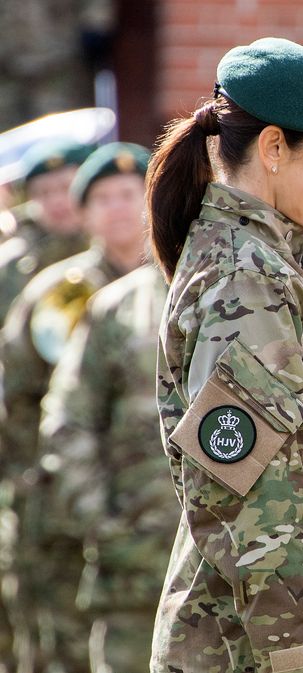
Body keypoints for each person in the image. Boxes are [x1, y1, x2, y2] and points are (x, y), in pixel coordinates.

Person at [145, 37, 303, 673]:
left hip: (280, 609)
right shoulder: (246, 274)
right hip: (263, 633)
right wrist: (294, 656)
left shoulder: (267, 259)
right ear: (275, 147)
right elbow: (243, 491)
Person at [0, 141, 149, 673]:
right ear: (85, 215)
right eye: (103, 198)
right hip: (67, 512)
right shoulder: (55, 292)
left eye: (129, 194)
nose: (118, 209)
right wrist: (46, 483)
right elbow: (17, 400)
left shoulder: (178, 286)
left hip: (155, 512)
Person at [37, 262, 175, 673]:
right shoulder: (117, 307)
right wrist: (102, 521)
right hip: (135, 572)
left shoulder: (248, 289)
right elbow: (68, 422)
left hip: (236, 578)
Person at [0, 138, 93, 322]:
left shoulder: (120, 244)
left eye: (66, 187)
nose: (56, 201)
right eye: (43, 193)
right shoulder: (13, 263)